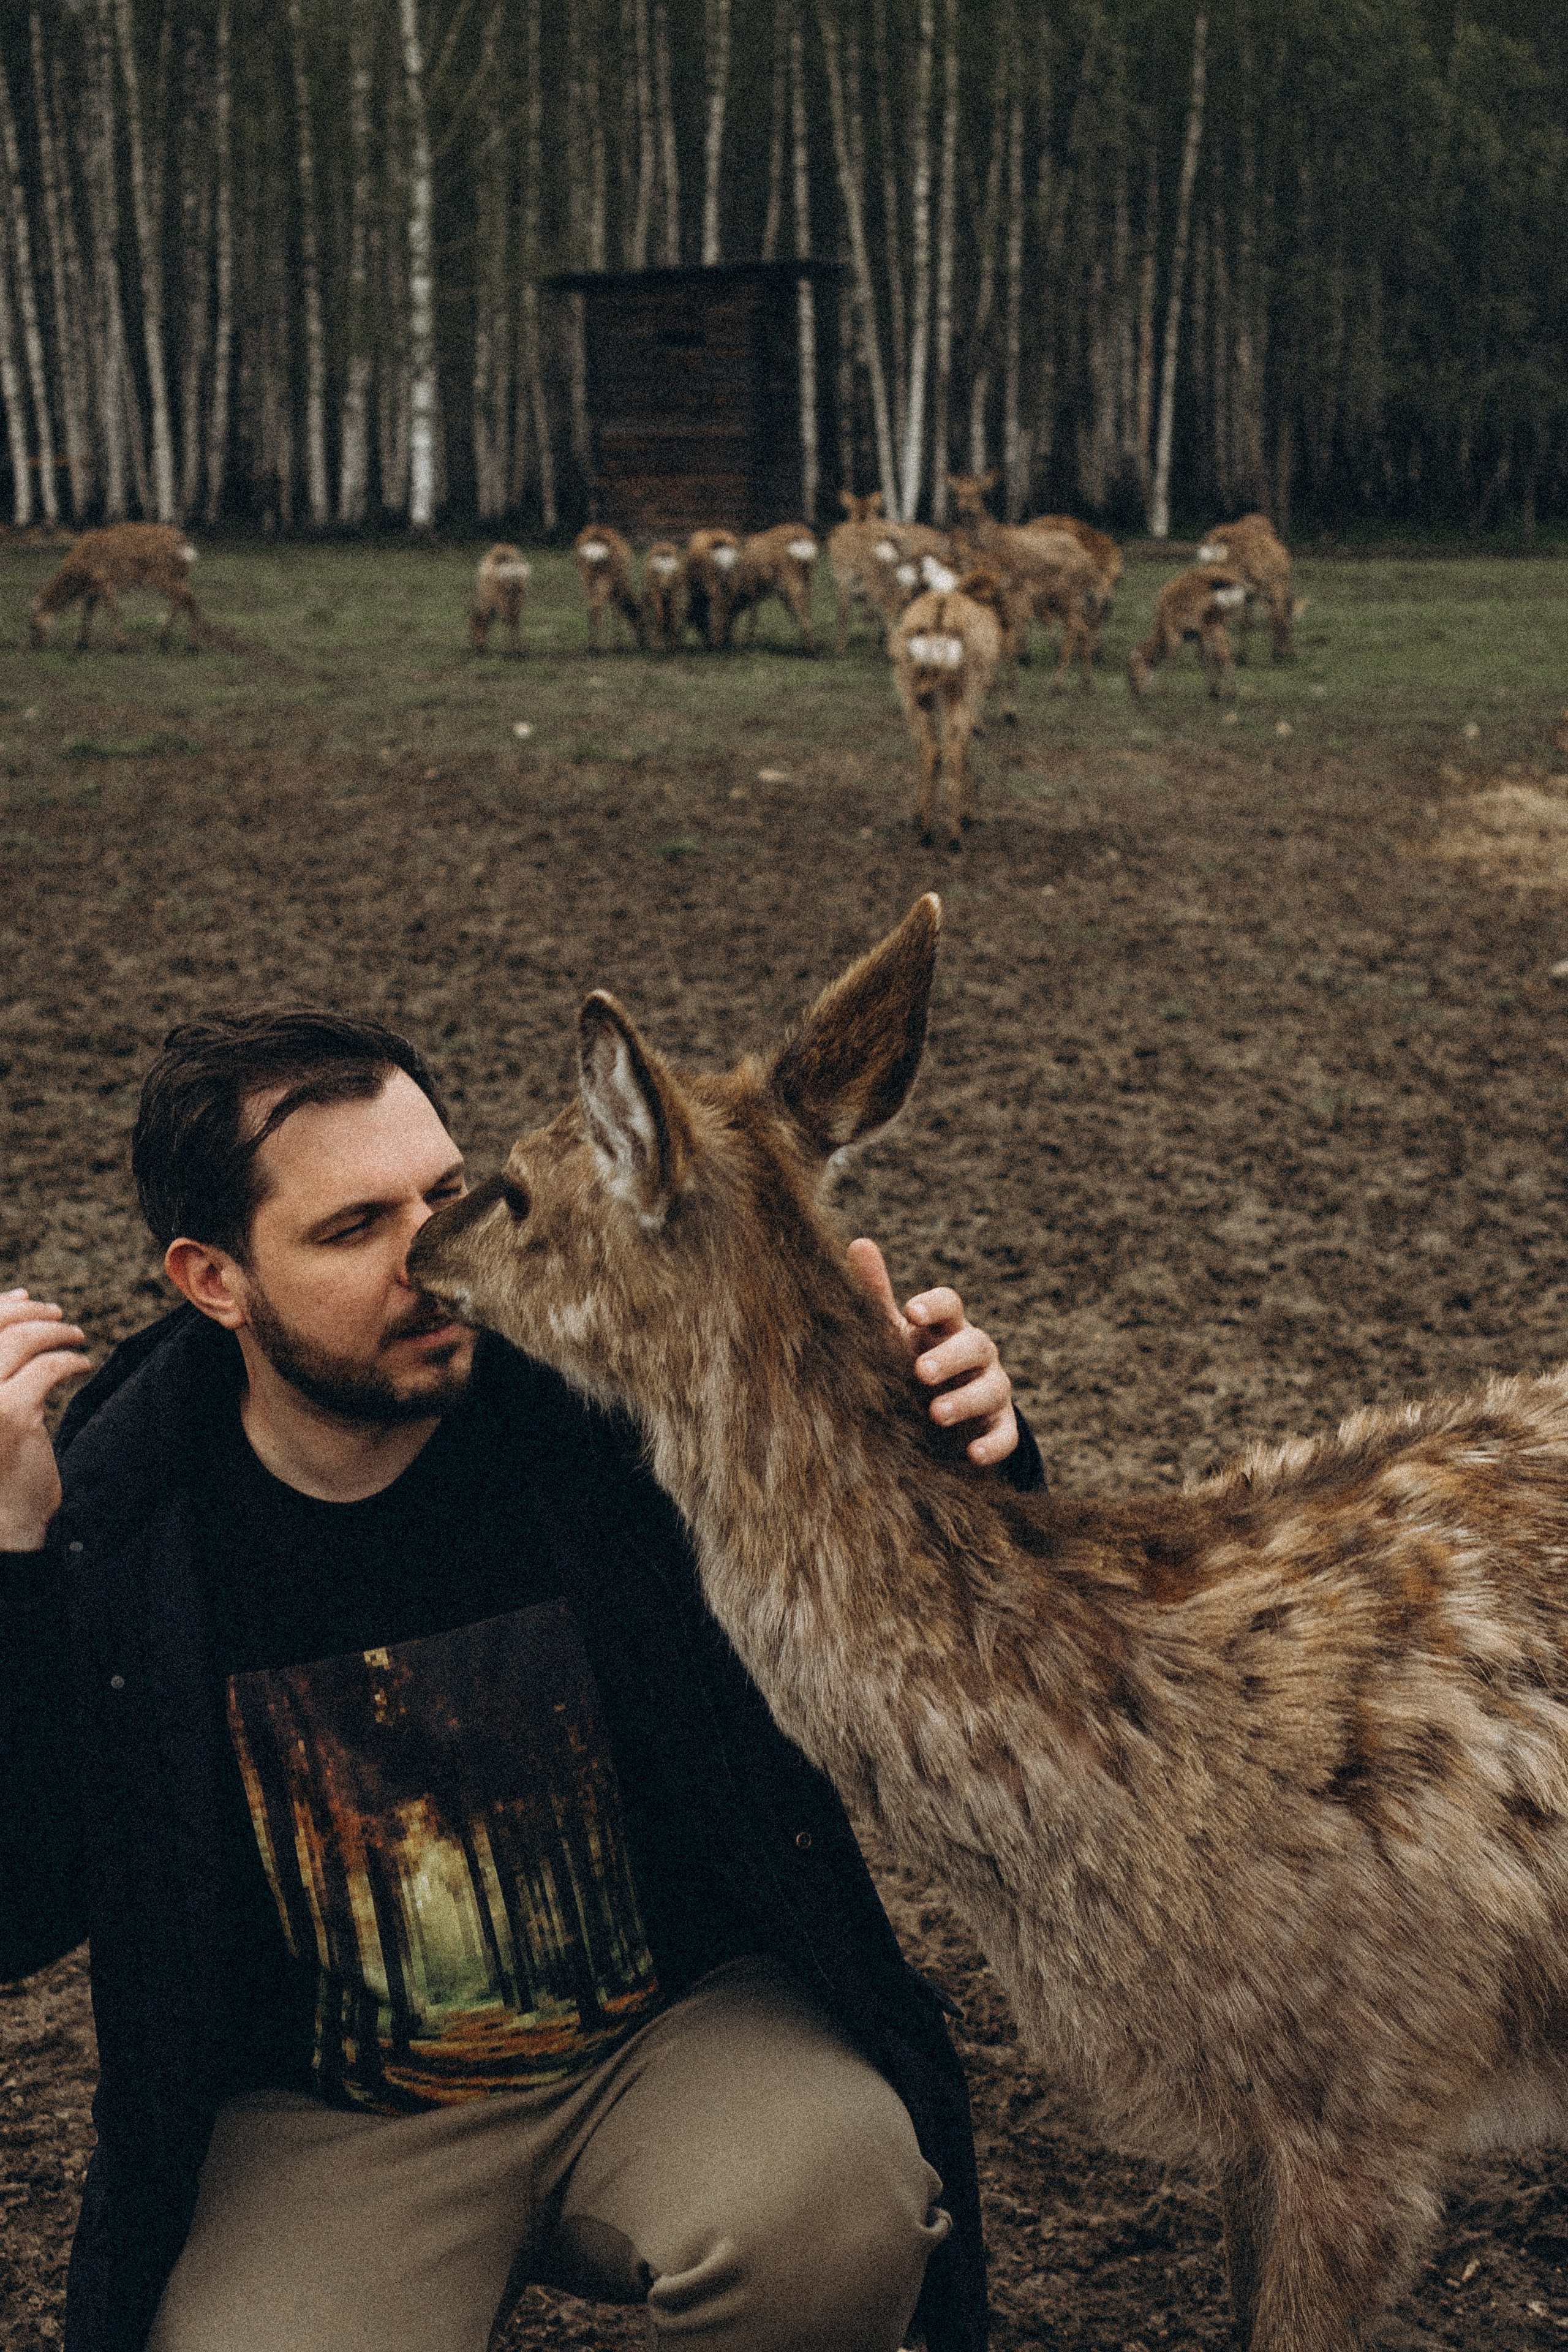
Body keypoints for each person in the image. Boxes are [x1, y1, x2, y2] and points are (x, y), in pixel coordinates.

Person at [0, 1009, 1044, 2352]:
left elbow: (926, 1664)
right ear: (213, 1282)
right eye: (353, 1228)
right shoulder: (125, 1522)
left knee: (840, 2208)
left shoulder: (598, 1409)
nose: (437, 1258)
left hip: (671, 2040)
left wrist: (961, 1452)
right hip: (332, 2125)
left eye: (450, 1194)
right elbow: (21, 1910)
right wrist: (13, 1570)